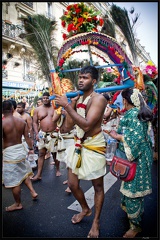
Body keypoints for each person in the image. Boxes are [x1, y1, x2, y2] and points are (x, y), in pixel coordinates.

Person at [54, 66, 107, 238]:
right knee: (72, 184)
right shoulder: (77, 99)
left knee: (97, 187)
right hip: (78, 145)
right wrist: (71, 106)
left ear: (94, 81)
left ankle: (96, 221)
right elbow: (67, 127)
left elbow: (86, 125)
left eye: (85, 77)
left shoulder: (98, 99)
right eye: (80, 77)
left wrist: (68, 108)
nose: (81, 80)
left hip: (94, 145)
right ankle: (85, 208)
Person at [108, 88, 153, 238]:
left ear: (126, 101)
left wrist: (117, 136)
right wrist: (120, 135)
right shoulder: (139, 112)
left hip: (136, 159)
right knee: (132, 189)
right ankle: (134, 214)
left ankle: (135, 227)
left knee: (132, 192)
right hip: (143, 157)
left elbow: (135, 140)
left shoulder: (133, 115)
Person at [2, 100, 38, 212]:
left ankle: (18, 204)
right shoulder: (21, 122)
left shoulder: (3, 123)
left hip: (9, 154)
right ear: (13, 109)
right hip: (20, 151)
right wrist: (31, 149)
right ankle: (33, 191)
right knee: (24, 172)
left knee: (14, 181)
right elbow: (27, 138)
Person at [31, 92, 60, 181]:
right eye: (44, 98)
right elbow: (35, 122)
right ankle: (39, 174)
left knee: (55, 153)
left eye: (47, 98)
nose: (45, 99)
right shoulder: (37, 109)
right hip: (42, 134)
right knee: (41, 153)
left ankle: (58, 169)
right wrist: (36, 133)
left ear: (50, 98)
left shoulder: (55, 108)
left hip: (53, 133)